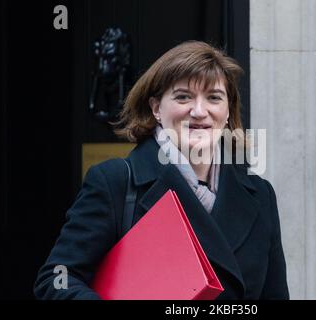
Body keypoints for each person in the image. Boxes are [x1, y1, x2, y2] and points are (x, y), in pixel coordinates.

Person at [34, 41, 289, 300]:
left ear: (227, 111)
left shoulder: (260, 195)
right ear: (156, 108)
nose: (199, 111)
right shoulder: (116, 182)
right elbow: (55, 280)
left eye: (213, 97)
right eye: (183, 97)